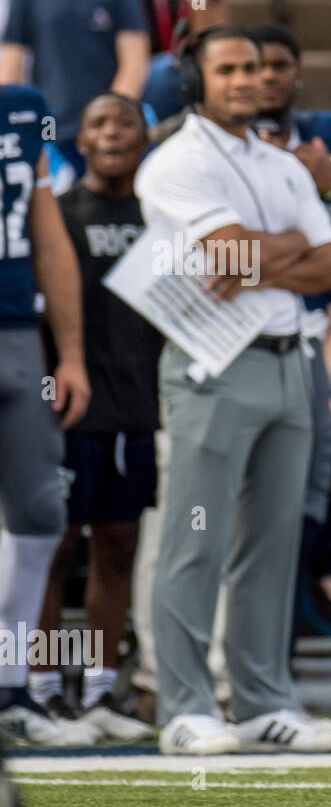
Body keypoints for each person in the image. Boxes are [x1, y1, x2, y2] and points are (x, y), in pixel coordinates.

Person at [136, 24, 331, 754]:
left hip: (292, 359)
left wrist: (265, 254)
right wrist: (279, 247)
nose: (246, 80)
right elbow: (235, 252)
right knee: (193, 541)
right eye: (227, 69)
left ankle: (262, 702)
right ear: (195, 80)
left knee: (271, 543)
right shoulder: (171, 163)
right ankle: (186, 706)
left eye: (253, 68)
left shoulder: (285, 163)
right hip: (212, 364)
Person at [31, 92, 158, 743]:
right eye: (99, 122)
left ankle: (104, 692)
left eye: (125, 122)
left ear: (145, 136)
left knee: (119, 545)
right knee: (56, 549)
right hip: (69, 411)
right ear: (79, 140)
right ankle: (45, 689)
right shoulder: (59, 215)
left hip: (137, 411)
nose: (111, 133)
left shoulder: (162, 217)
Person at [250, 19, 331, 631]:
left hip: (305, 347)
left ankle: (330, 575)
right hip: (237, 343)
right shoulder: (206, 154)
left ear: (297, 72)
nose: (267, 77)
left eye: (279, 64)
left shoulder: (327, 144)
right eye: (254, 67)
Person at [0, 82, 93, 746]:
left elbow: (48, 236)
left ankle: (10, 687)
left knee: (38, 511)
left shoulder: (23, 110)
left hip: (15, 333)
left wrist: (71, 353)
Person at [0, 0, 149, 178]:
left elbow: (135, 62)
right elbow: (10, 72)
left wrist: (108, 124)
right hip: (51, 128)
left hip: (106, 136)